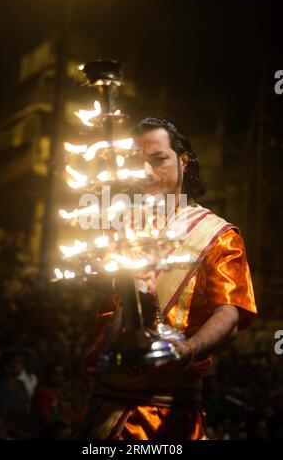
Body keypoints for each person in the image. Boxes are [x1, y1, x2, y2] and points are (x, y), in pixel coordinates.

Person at [81, 117, 257, 440]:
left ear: (183, 160)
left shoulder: (218, 236)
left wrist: (186, 352)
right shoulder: (122, 227)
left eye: (158, 159)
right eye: (137, 162)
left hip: (171, 415)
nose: (146, 172)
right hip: (105, 406)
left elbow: (229, 315)